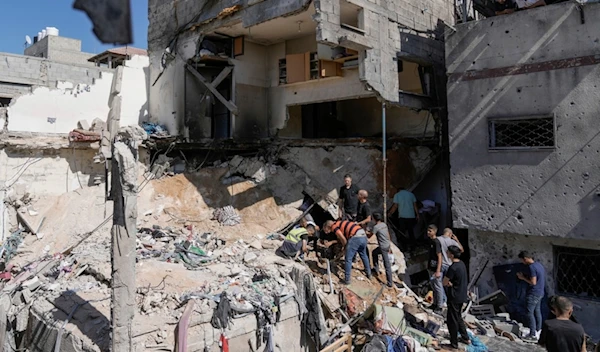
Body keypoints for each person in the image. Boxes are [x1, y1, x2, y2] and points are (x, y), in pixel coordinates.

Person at [323, 219, 371, 285]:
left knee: (348, 259)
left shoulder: (334, 226)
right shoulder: (339, 223)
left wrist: (345, 249)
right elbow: (342, 239)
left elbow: (343, 239)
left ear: (328, 226)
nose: (327, 232)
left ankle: (347, 280)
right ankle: (369, 273)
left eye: (326, 230)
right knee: (363, 255)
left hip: (355, 237)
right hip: (363, 235)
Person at [443, 245, 471, 350]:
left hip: (454, 296)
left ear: (451, 254)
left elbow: (444, 282)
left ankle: (453, 343)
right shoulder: (462, 264)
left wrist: (450, 284)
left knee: (452, 320)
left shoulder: (453, 267)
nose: (447, 254)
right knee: (458, 317)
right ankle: (465, 337)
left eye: (448, 252)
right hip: (462, 295)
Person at [517, 250, 546, 340]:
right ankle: (538, 331)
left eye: (522, 260)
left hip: (533, 293)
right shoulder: (539, 265)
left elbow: (533, 282)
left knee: (529, 313)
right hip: (540, 292)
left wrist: (522, 278)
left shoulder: (532, 267)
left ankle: (532, 334)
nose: (522, 262)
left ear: (525, 259)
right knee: (537, 312)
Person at [366, 213, 393, 287]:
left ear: (374, 219)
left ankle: (390, 283)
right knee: (374, 252)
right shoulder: (384, 225)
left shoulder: (376, 227)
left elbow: (369, 236)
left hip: (383, 247)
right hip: (387, 245)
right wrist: (390, 246)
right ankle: (375, 269)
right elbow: (388, 235)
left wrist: (365, 231)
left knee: (386, 264)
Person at [427, 224, 444, 314]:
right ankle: (435, 303)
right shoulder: (431, 241)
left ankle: (440, 306)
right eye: (428, 231)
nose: (428, 232)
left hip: (436, 269)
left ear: (435, 232)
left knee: (438, 287)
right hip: (431, 267)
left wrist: (438, 270)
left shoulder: (436, 242)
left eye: (430, 231)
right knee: (433, 287)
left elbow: (439, 256)